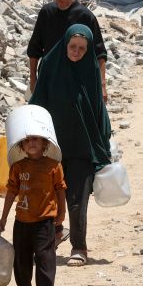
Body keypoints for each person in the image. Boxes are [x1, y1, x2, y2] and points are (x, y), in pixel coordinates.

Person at [29, 24, 112, 267]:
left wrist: (103, 144)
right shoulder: (51, 68)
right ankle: (50, 239)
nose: (76, 52)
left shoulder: (90, 73)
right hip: (51, 147)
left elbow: (99, 111)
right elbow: (37, 104)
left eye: (82, 49)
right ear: (65, 44)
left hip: (82, 148)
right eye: (73, 47)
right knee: (47, 198)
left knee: (77, 200)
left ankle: (79, 246)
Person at [0, 135, 66, 286]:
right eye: (27, 141)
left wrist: (61, 215)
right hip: (22, 221)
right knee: (21, 258)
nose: (32, 143)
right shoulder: (18, 167)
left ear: (45, 143)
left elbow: (60, 190)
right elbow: (11, 192)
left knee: (45, 258)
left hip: (45, 220)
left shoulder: (53, 165)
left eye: (36, 139)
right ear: (21, 146)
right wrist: (3, 218)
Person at [27, 0, 109, 102]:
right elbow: (34, 48)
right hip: (49, 76)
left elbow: (99, 53)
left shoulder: (85, 16)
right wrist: (33, 78)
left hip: (77, 78)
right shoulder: (47, 12)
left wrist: (102, 85)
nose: (60, 2)